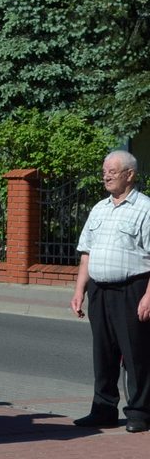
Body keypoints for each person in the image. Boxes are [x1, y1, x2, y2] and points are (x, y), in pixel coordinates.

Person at [70, 150, 150, 432]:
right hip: (99, 291)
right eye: (104, 171)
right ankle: (103, 410)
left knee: (136, 354)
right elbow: (86, 253)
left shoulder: (145, 208)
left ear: (130, 175)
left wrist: (148, 296)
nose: (105, 176)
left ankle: (140, 412)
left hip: (132, 290)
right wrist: (79, 290)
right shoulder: (99, 209)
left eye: (112, 172)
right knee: (103, 354)